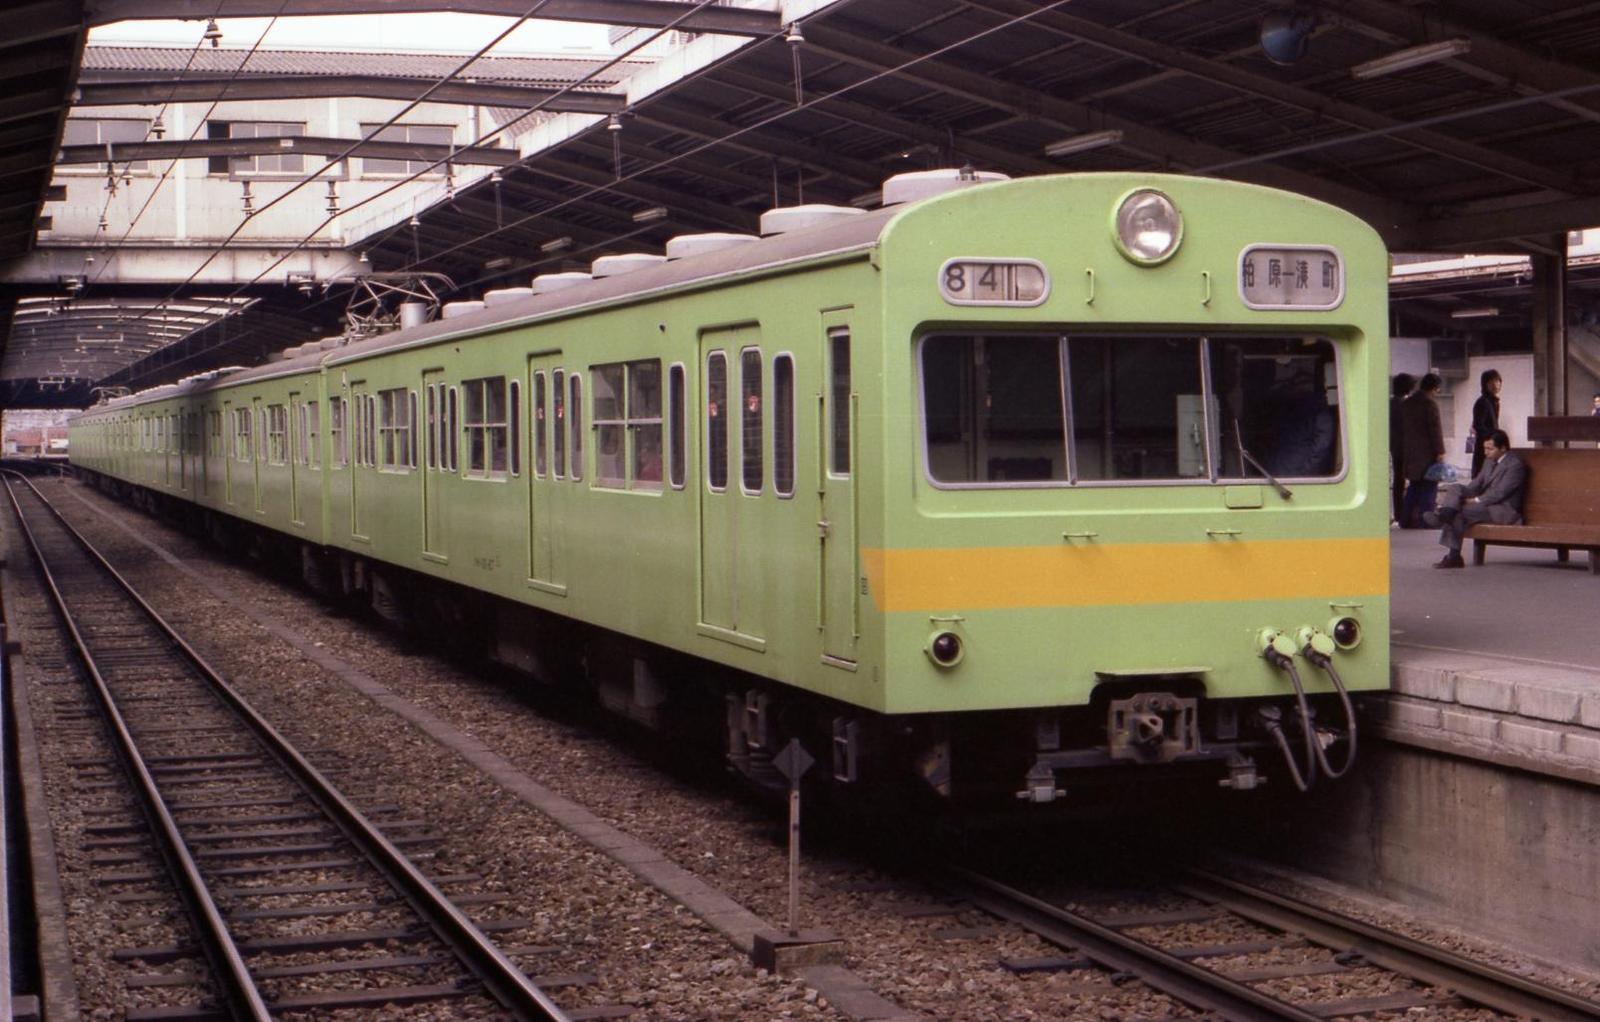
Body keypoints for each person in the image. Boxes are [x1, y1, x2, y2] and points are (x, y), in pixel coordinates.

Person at [1424, 429, 1526, 569]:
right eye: (1485, 448)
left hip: (1502, 509)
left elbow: (1500, 493)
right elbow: (1477, 484)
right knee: (1455, 489)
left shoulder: (1515, 465)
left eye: (1490, 449)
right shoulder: (1489, 461)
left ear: (1503, 448)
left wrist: (1476, 500)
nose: (1486, 452)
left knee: (1460, 512)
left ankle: (1453, 552)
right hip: (1485, 506)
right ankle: (1446, 514)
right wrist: (1464, 495)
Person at [1398, 373, 1445, 528]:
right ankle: (1425, 521)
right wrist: (1440, 452)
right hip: (1427, 455)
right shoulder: (1430, 404)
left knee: (1413, 487)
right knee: (1429, 488)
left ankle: (1405, 520)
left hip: (1410, 454)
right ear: (1434, 388)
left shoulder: (1406, 404)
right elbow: (1435, 430)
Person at [1389, 373, 1415, 526]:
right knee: (1401, 479)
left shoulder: (1391, 403)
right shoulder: (1403, 405)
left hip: (1394, 445)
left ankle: (1399, 512)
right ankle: (1402, 512)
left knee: (1399, 480)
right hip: (1402, 446)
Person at [1470, 369, 1501, 478]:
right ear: (1485, 385)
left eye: (1497, 381)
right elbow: (1479, 426)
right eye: (1491, 382)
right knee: (1483, 478)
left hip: (1491, 447)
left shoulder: (1493, 401)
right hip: (1485, 448)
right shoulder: (1483, 402)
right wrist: (1494, 437)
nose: (1495, 385)